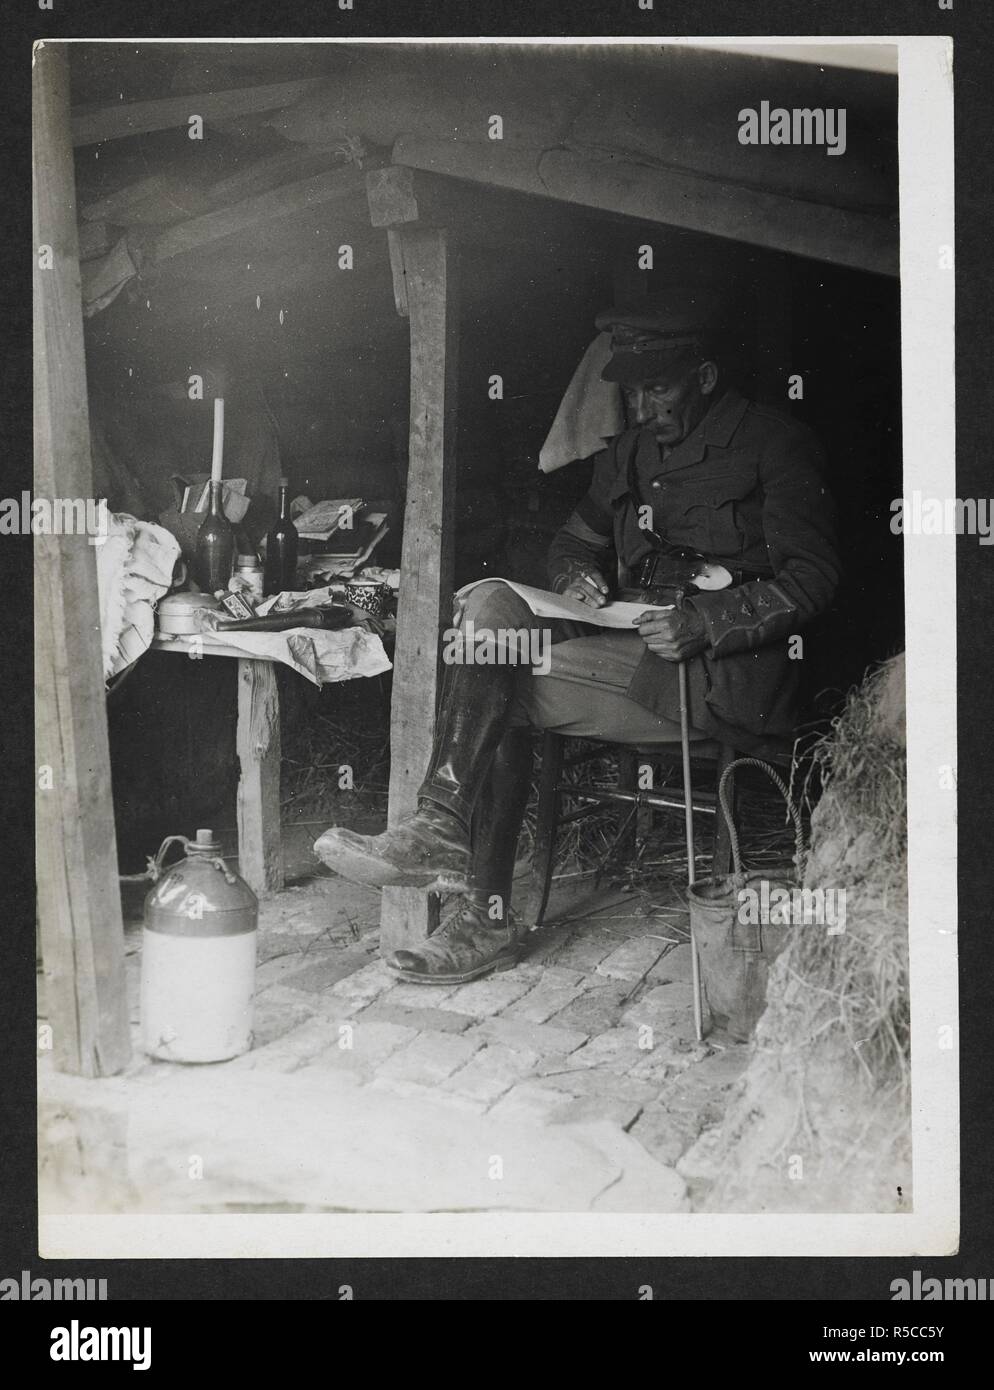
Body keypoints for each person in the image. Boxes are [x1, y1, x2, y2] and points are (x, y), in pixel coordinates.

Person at [315, 295, 840, 985]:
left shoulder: (775, 443)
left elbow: (814, 578)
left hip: (713, 673)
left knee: (493, 680)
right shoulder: (629, 453)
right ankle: (442, 825)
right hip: (624, 648)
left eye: (659, 388)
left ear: (705, 377)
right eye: (635, 391)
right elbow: (572, 540)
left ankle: (482, 906)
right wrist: (574, 573)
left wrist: (705, 622)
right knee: (492, 613)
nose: (644, 407)